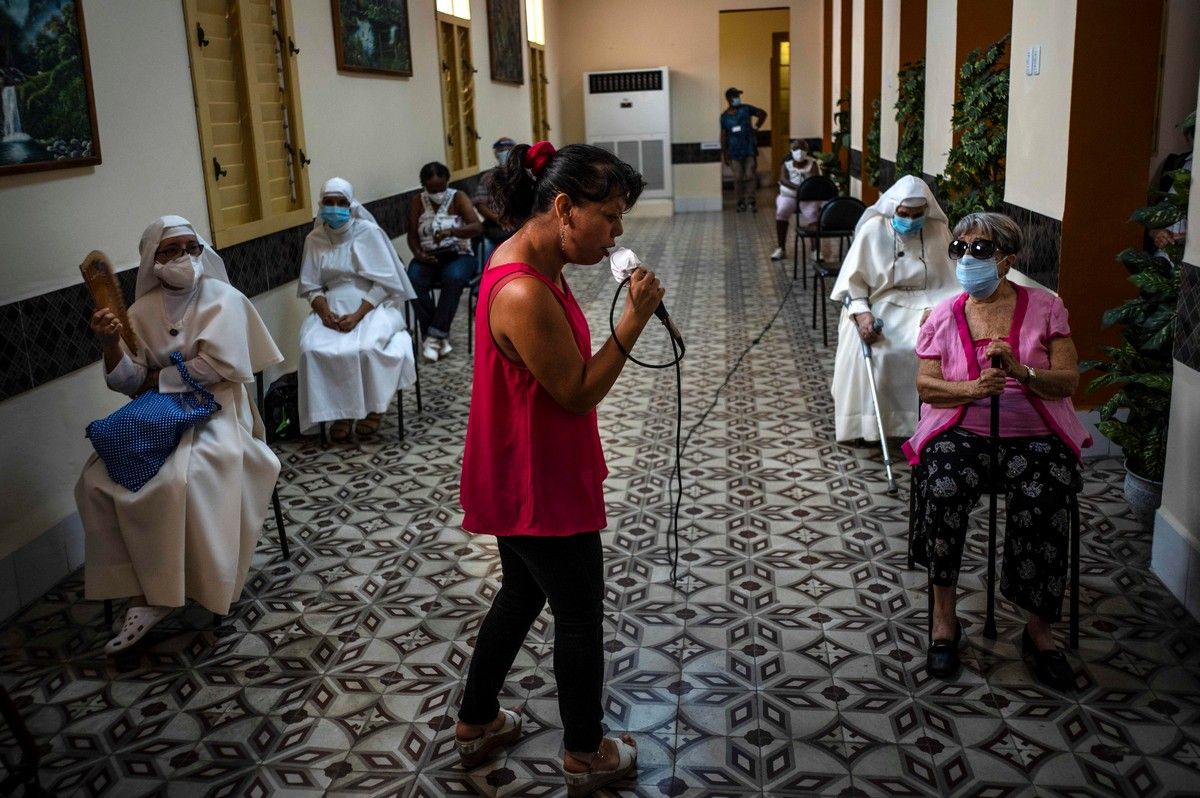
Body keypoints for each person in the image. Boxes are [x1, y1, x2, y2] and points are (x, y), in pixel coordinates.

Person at [456, 141, 658, 795]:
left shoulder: (536, 259)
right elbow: (574, 391)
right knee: (578, 613)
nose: (617, 233)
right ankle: (585, 753)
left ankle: (477, 722)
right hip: (535, 481)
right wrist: (633, 320)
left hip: (525, 464)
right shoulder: (523, 290)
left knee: (521, 592)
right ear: (565, 207)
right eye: (611, 216)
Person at [77, 215, 283, 654]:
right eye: (171, 250)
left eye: (191, 247)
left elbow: (218, 369)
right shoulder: (139, 312)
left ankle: (177, 589)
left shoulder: (224, 299)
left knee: (183, 477)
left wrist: (158, 378)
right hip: (156, 415)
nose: (184, 258)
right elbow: (128, 382)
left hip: (218, 410)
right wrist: (110, 344)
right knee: (96, 480)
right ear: (152, 259)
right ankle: (142, 586)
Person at [903, 211, 1091, 690]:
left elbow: (1068, 380)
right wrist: (971, 390)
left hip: (1035, 433)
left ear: (1008, 259)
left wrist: (1021, 372)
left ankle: (1039, 630)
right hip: (961, 430)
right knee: (943, 485)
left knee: (1046, 495)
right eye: (960, 248)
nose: (968, 257)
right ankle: (944, 620)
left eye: (981, 249)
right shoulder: (943, 313)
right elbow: (926, 386)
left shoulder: (1046, 307)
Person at [829, 175, 960, 443]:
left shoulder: (937, 230)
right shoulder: (873, 230)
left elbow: (953, 284)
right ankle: (872, 426)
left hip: (930, 306)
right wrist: (863, 315)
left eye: (917, 214)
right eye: (904, 214)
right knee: (882, 352)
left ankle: (929, 423)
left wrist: (941, 311)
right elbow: (854, 286)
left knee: (935, 349)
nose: (911, 220)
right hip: (882, 305)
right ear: (893, 209)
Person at [297, 177, 417, 442]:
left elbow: (384, 283)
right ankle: (341, 413)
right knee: (312, 349)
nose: (334, 208)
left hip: (372, 305)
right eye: (329, 202)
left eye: (341, 202)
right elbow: (311, 286)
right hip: (330, 308)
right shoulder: (314, 238)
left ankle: (374, 408)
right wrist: (325, 313)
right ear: (321, 205)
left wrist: (356, 316)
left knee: (366, 348)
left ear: (351, 205)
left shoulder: (368, 232)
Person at [407, 161, 484, 362]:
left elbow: (477, 228)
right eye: (432, 190)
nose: (438, 194)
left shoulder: (458, 197)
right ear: (424, 185)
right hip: (428, 256)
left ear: (447, 182)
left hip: (459, 254)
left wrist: (452, 231)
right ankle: (436, 336)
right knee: (412, 279)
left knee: (454, 277)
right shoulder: (417, 201)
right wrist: (419, 254)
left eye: (441, 188)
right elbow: (412, 236)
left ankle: (433, 337)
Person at [770, 138, 822, 260]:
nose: (799, 152)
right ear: (791, 150)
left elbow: (815, 179)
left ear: (807, 150)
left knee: (812, 213)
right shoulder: (786, 164)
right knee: (782, 210)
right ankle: (781, 248)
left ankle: (815, 250)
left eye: (802, 149)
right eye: (796, 149)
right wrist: (799, 188)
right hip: (790, 195)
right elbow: (783, 180)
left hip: (808, 196)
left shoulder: (812, 163)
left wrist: (804, 189)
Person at [719, 87, 767, 212]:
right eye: (735, 96)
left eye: (738, 96)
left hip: (749, 149)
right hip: (734, 151)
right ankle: (740, 202)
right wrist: (724, 153)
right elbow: (724, 135)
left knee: (750, 175)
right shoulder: (724, 117)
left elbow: (763, 114)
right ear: (729, 99)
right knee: (738, 178)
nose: (738, 98)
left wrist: (756, 127)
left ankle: (751, 201)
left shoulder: (746, 109)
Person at [475, 137, 518, 266]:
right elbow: (481, 204)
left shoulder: (523, 174)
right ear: (496, 153)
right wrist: (499, 219)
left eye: (509, 149)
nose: (505, 152)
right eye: (501, 150)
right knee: (486, 250)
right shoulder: (487, 178)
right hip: (496, 224)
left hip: (519, 222)